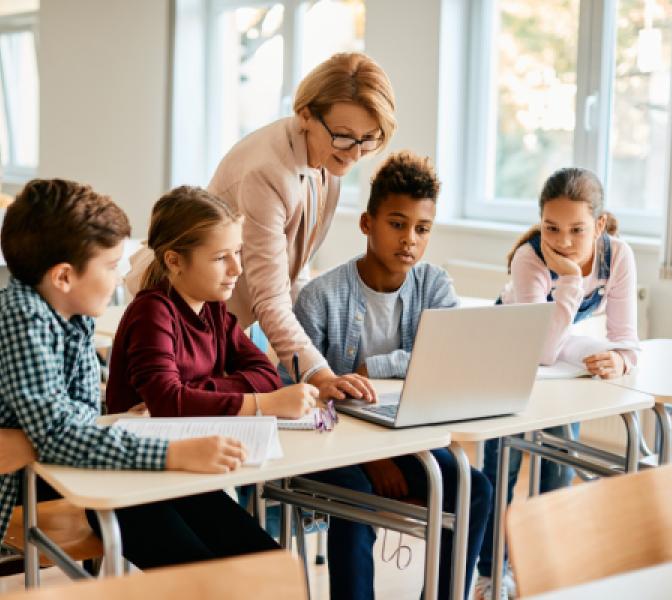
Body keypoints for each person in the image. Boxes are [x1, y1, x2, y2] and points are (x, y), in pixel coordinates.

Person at [0, 179, 278, 569]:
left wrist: (52, 437)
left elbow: (80, 422)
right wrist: (173, 450)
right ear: (64, 277)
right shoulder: (23, 316)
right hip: (56, 488)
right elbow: (62, 435)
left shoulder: (74, 317)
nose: (119, 281)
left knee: (268, 562)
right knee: (203, 576)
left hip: (98, 469)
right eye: (112, 267)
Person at [127, 52, 396, 403]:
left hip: (222, 320)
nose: (356, 153)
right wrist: (319, 373)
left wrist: (322, 363)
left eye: (369, 138)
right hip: (180, 311)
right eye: (345, 136)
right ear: (305, 115)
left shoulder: (330, 160)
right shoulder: (267, 172)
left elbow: (293, 276)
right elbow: (271, 296)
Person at [293, 152, 493, 600]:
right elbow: (306, 397)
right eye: (397, 224)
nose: (410, 240)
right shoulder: (320, 297)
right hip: (333, 448)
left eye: (422, 229)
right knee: (356, 500)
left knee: (475, 488)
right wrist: (371, 458)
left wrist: (372, 368)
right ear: (367, 223)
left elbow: (445, 359)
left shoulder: (434, 285)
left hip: (408, 440)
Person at [475, 167, 640, 600]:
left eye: (577, 229)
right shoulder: (530, 258)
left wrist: (620, 361)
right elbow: (537, 350)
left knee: (559, 459)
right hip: (510, 348)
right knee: (502, 466)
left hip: (557, 346)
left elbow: (626, 339)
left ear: (600, 225)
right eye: (552, 227)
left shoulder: (618, 256)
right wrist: (568, 279)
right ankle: (493, 572)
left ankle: (547, 569)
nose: (562, 241)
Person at [107, 185, 318, 419]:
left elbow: (267, 376)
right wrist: (263, 404)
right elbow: (168, 403)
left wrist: (188, 396)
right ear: (174, 261)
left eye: (237, 252)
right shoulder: (151, 312)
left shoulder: (213, 309)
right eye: (220, 258)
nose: (237, 269)